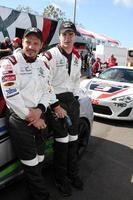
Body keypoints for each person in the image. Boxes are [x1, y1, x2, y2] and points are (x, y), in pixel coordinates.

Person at [0, 27, 57, 200]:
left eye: (35, 43)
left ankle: (32, 192)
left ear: (41, 46)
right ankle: (42, 195)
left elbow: (48, 90)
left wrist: (40, 110)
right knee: (31, 163)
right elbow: (11, 95)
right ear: (22, 42)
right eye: (28, 42)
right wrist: (31, 116)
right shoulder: (9, 62)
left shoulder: (43, 64)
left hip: (40, 116)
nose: (31, 46)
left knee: (40, 158)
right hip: (19, 119)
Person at [42, 21, 83, 197]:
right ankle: (60, 179)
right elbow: (44, 83)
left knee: (73, 140)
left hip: (71, 101)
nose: (67, 38)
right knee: (62, 142)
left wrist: (75, 99)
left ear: (74, 36)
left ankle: (72, 174)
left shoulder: (77, 57)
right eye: (64, 34)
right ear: (59, 36)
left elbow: (76, 80)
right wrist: (56, 105)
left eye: (70, 34)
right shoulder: (49, 56)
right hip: (55, 102)